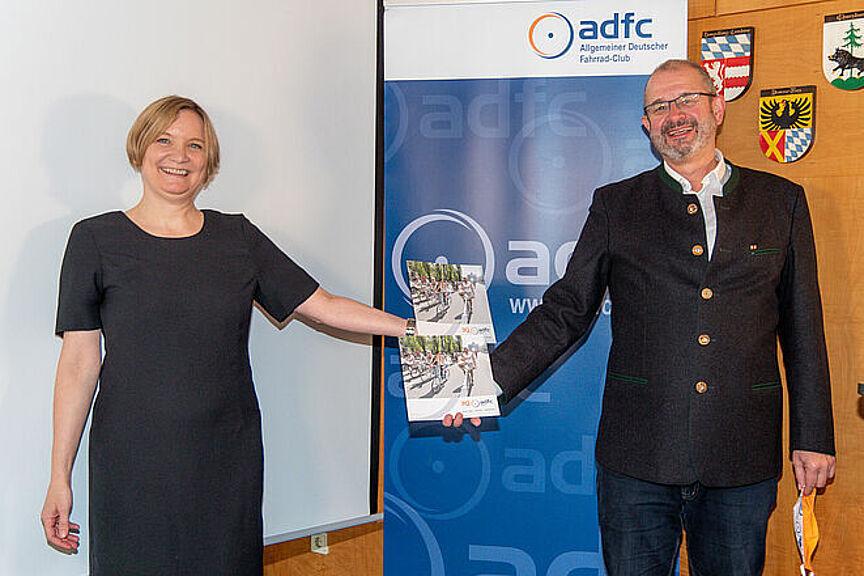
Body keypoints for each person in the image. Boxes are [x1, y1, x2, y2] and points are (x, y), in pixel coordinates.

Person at [445, 60, 836, 574]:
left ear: (717, 107)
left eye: (687, 100)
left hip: (741, 455)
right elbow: (566, 311)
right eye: (659, 107)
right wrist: (480, 382)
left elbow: (803, 329)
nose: (675, 115)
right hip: (638, 459)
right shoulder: (616, 206)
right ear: (647, 126)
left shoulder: (781, 202)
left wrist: (813, 436)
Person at [40, 95, 411, 575]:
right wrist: (59, 476)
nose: (180, 155)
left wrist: (417, 331)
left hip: (225, 462)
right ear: (140, 148)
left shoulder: (237, 238)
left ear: (208, 163)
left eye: (195, 145)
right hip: (130, 466)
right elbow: (78, 363)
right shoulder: (94, 239)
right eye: (165, 140)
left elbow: (325, 307)